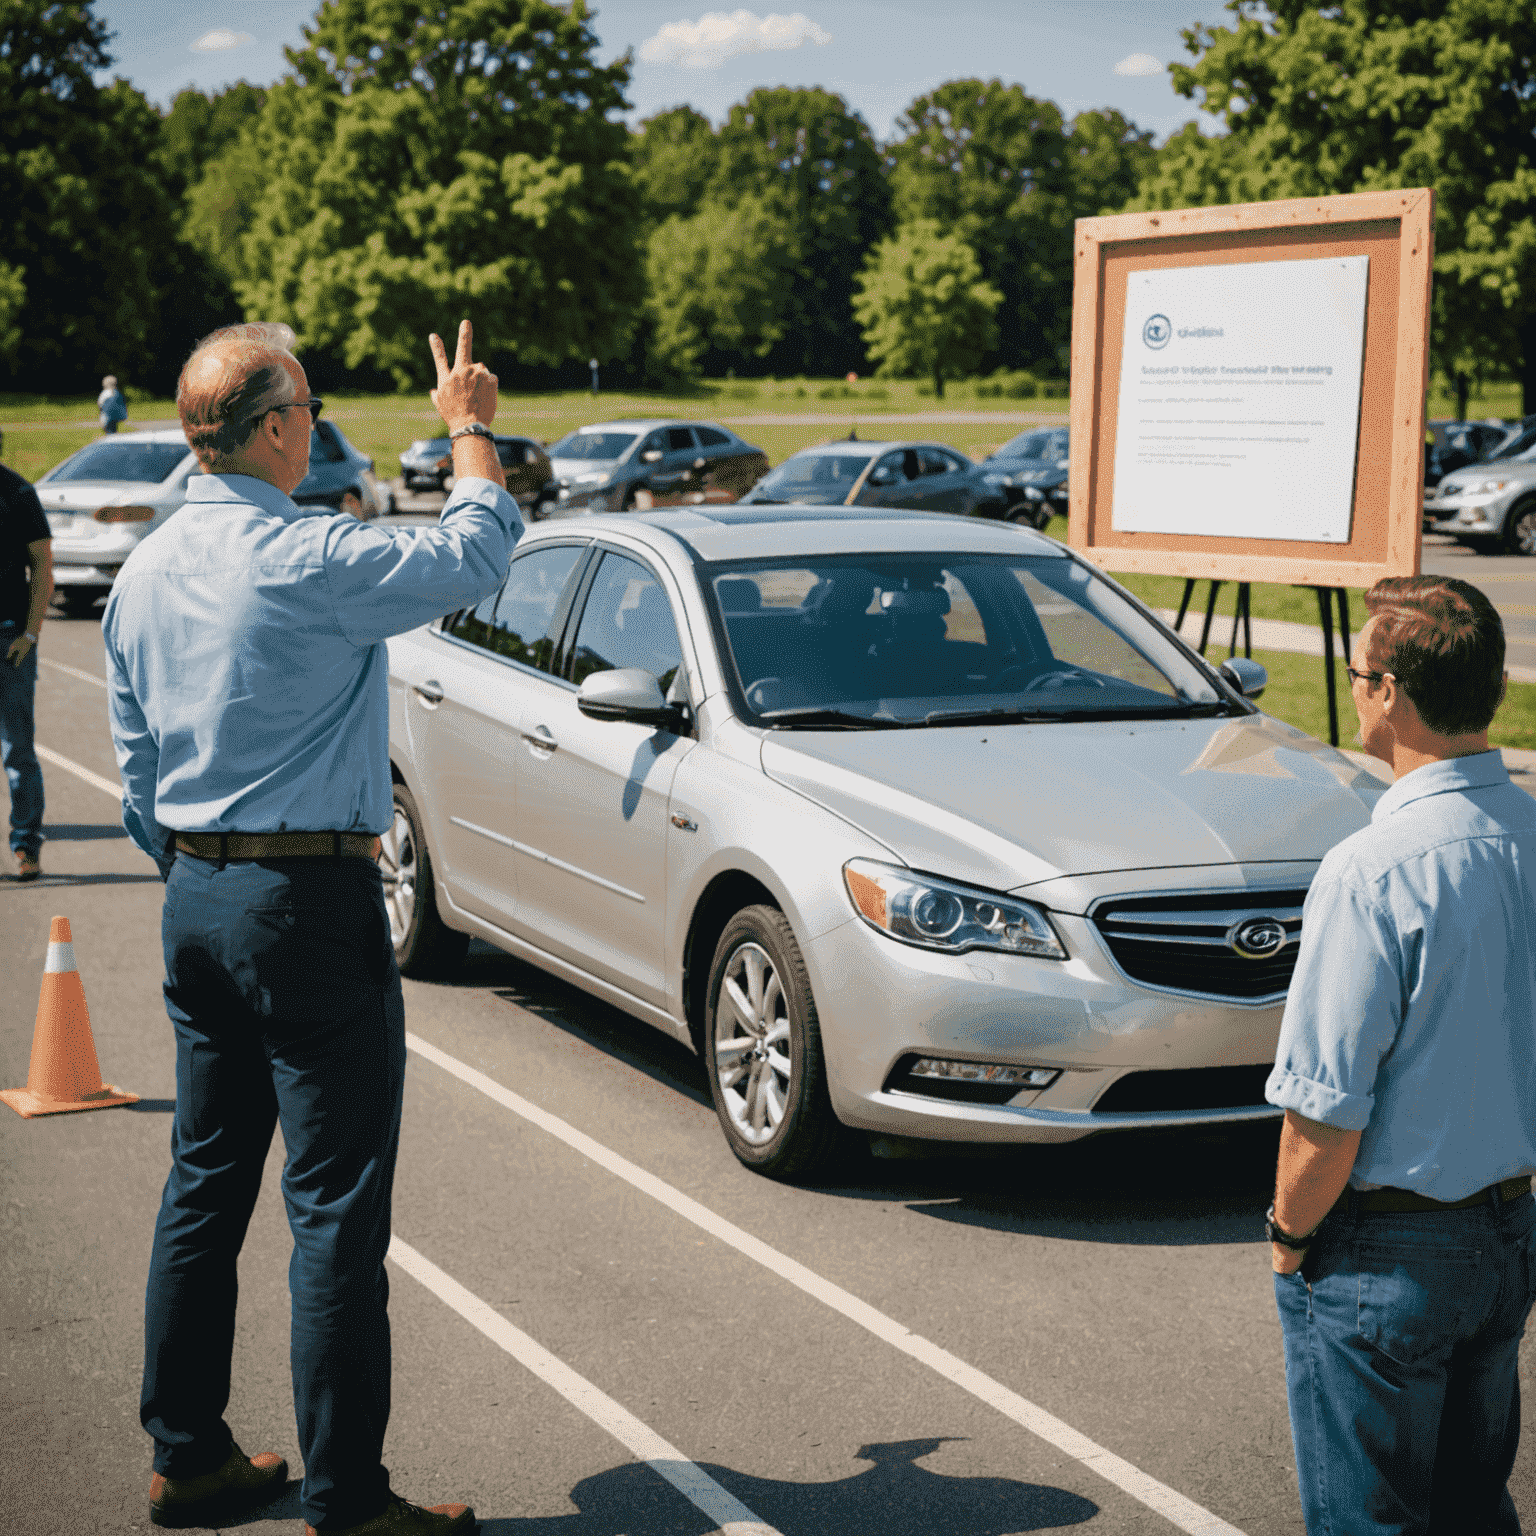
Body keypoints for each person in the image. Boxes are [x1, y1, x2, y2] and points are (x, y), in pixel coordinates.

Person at [104, 319, 521, 1536]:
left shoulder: (145, 569)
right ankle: (349, 1498)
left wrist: (199, 865)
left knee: (204, 1182)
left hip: (195, 895)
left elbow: (134, 774)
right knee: (334, 1208)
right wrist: (468, 426)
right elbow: (479, 548)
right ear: (277, 427)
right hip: (310, 903)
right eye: (311, 407)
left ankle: (188, 1457)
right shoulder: (306, 555)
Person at [1265, 573, 1536, 1534]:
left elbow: (1326, 1112)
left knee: (1367, 1518)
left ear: (1386, 691)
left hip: (1387, 1252)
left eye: (1355, 674)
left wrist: (1290, 1237)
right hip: (1506, 1231)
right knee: (1473, 1508)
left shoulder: (1370, 871)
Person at [0, 427, 51, 881]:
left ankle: (25, 847)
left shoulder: (17, 494)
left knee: (18, 752)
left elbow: (42, 566)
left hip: (9, 641)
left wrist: (30, 634)